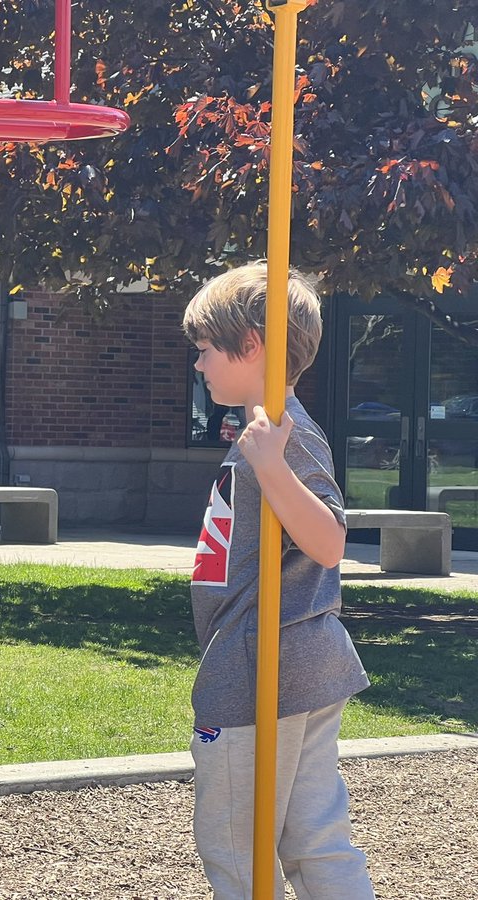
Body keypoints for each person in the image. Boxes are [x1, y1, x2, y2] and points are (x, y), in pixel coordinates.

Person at [182, 261, 375, 899]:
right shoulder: (268, 433)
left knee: (236, 847)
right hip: (298, 662)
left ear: (251, 346)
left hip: (263, 670)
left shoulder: (282, 438)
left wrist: (271, 467)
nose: (199, 365)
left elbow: (328, 542)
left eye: (206, 350)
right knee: (314, 839)